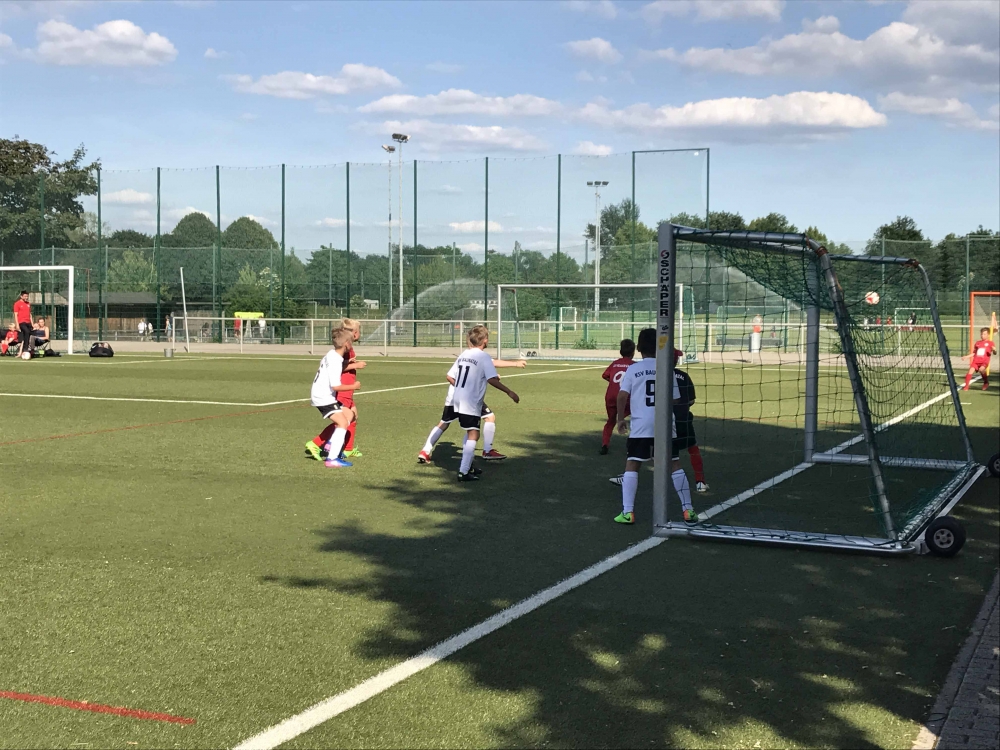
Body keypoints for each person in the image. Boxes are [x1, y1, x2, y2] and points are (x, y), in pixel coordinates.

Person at [612, 328, 697, 525]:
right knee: (675, 464)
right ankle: (688, 510)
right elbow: (675, 399)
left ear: (639, 347)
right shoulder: (666, 369)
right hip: (665, 424)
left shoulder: (633, 369)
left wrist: (620, 419)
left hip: (641, 425)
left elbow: (622, 395)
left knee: (632, 464)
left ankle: (627, 512)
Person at [435, 325, 519, 481]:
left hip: (457, 398)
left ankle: (468, 466)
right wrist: (509, 392)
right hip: (471, 400)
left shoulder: (464, 354)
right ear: (485, 340)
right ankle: (464, 471)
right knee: (474, 434)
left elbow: (450, 376)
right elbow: (492, 379)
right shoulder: (483, 357)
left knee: (470, 431)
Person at [417, 346, 525, 465]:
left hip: (453, 396)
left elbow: (451, 376)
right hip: (467, 397)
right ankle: (485, 452)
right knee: (484, 421)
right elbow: (491, 368)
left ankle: (425, 451)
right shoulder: (479, 356)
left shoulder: (464, 355)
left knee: (444, 423)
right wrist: (513, 367)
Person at [307, 327, 358, 468]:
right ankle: (332, 458)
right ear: (346, 344)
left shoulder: (332, 354)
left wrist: (349, 362)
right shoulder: (335, 360)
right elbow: (336, 386)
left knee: (350, 415)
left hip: (322, 394)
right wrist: (354, 386)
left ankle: (331, 444)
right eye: (351, 342)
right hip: (323, 397)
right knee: (342, 423)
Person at [673, 349, 708, 492]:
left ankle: (628, 475)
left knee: (652, 450)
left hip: (662, 420)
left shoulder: (656, 374)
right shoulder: (683, 376)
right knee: (693, 448)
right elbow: (691, 400)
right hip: (683, 419)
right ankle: (700, 482)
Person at [336, 318, 367, 458]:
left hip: (348, 389)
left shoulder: (349, 347)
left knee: (353, 417)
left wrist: (350, 362)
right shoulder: (345, 347)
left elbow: (343, 363)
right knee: (342, 419)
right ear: (354, 333)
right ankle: (317, 443)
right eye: (359, 331)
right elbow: (337, 367)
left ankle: (348, 448)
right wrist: (356, 365)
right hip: (344, 388)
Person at [600, 339, 635, 455]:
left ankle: (605, 444)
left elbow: (605, 375)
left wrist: (613, 383)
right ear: (633, 352)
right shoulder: (634, 365)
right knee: (637, 418)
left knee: (610, 421)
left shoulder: (615, 363)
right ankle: (634, 444)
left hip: (610, 396)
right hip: (626, 397)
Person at [14, 290, 33, 357]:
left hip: (28, 322)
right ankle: (25, 349)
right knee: (26, 332)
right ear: (21, 296)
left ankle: (22, 351)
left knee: (27, 335)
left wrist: (32, 323)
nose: (26, 297)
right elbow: (16, 315)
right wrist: (17, 324)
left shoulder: (28, 304)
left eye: (27, 296)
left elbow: (30, 314)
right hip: (21, 322)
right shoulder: (17, 304)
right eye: (25, 296)